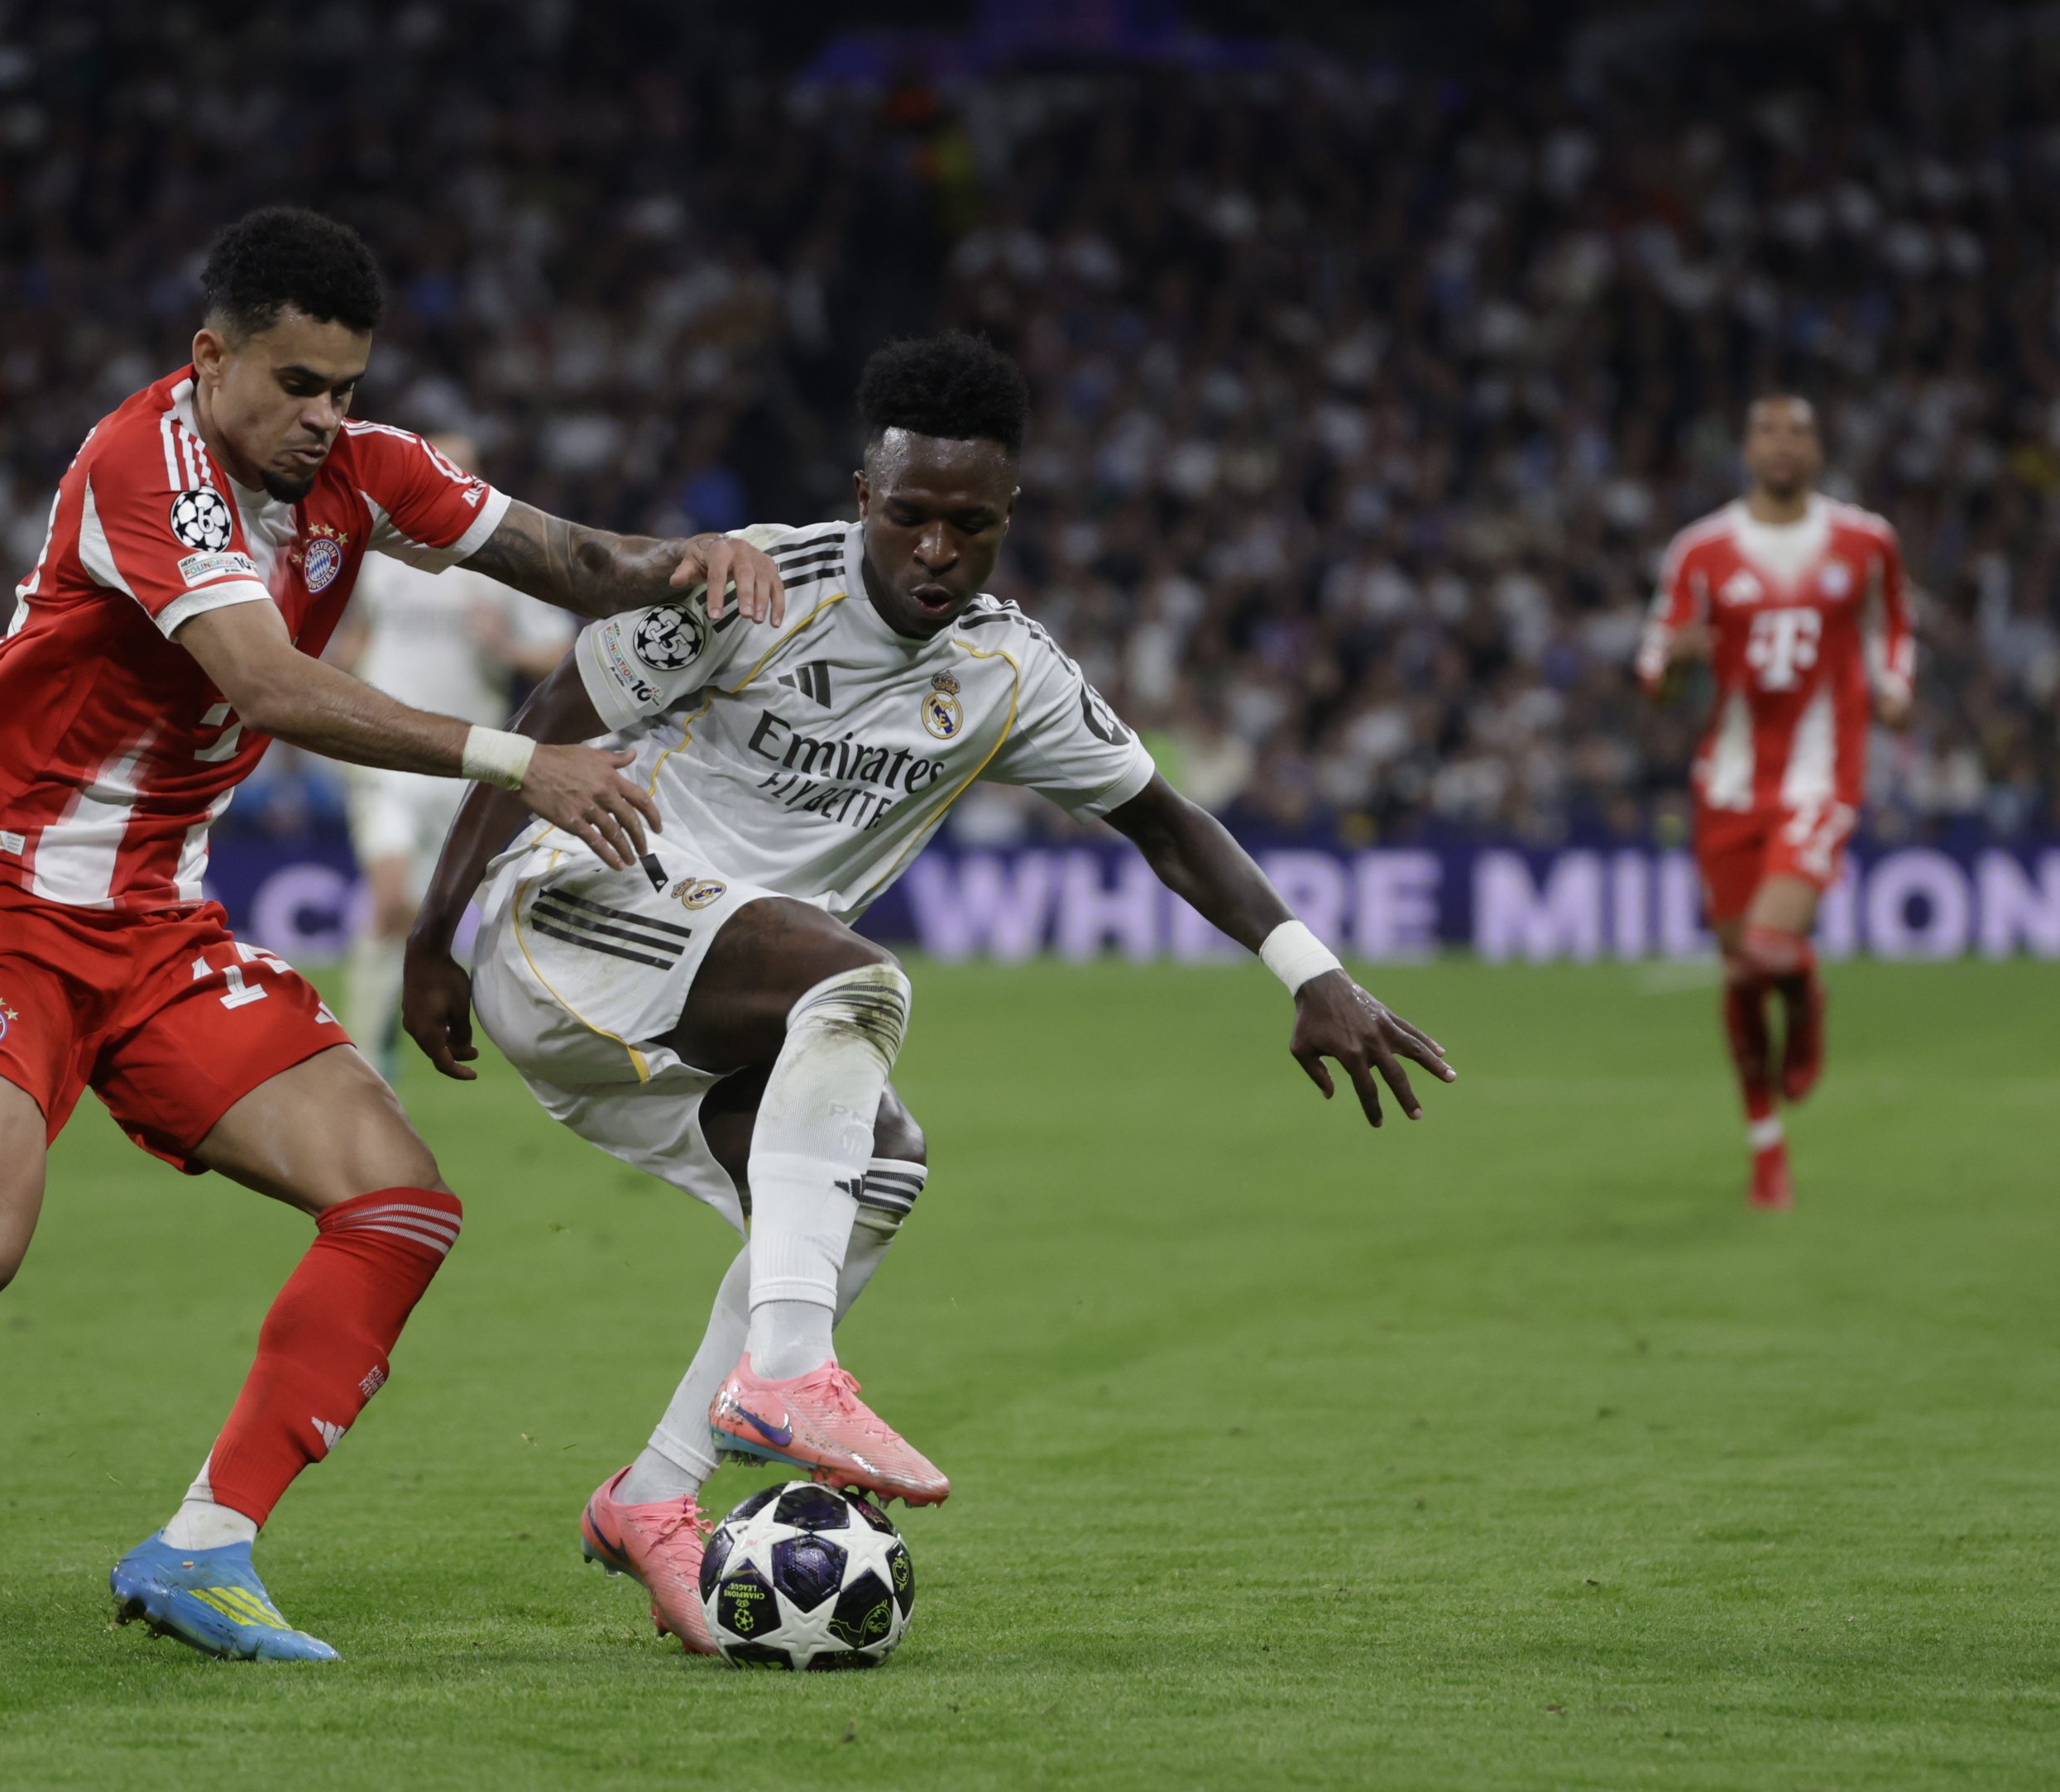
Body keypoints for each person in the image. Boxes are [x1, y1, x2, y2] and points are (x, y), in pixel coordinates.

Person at [0, 207, 783, 1660]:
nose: (328, 418)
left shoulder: (365, 471)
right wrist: (526, 765)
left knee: (398, 1201)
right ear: (211, 359)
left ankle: (205, 1542)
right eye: (297, 385)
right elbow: (264, 683)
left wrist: (690, 559)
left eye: (347, 387)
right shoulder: (147, 462)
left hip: (156, 928)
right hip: (0, 901)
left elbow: (560, 557)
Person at [398, 334, 1454, 1653]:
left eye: (970, 523)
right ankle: (785, 1376)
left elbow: (1167, 820)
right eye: (911, 514)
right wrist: (436, 932)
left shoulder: (1010, 674)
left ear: (1010, 519)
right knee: (856, 982)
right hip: (573, 915)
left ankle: (654, 1495)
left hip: (697, 998)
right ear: (863, 493)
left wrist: (1315, 973)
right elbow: (556, 703)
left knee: (880, 1169)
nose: (938, 549)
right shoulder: (749, 584)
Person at [1638, 395, 1914, 1211]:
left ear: (1818, 449)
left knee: (1765, 945)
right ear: (1744, 447)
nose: (1782, 444)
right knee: (1738, 973)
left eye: (1797, 431)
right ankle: (1765, 1147)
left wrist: (1895, 684)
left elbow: (1892, 623)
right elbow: (1655, 676)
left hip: (1818, 777)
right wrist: (1677, 664)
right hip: (1725, 784)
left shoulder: (1863, 539)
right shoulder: (1700, 550)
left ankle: (1806, 997)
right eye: (1765, 430)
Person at [327, 439, 575, 1073]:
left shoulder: (499, 565)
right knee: (388, 898)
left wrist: (507, 647)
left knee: (424, 916)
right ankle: (360, 1057)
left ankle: (390, 1025)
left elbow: (559, 651)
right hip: (384, 755)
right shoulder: (381, 557)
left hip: (468, 763)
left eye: (463, 468)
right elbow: (355, 637)